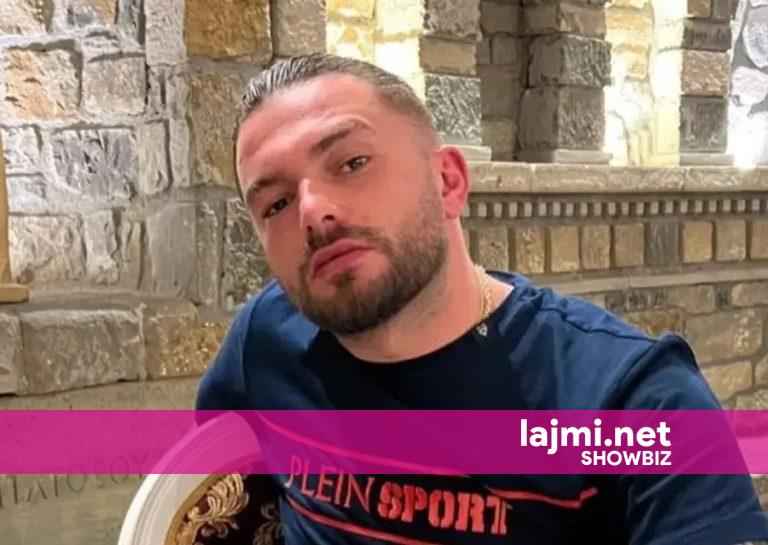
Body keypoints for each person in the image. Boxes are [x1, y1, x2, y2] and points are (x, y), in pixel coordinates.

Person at [196, 53, 768, 545]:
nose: (313, 211)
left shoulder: (634, 403)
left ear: (448, 182)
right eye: (275, 204)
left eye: (352, 163)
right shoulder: (265, 344)